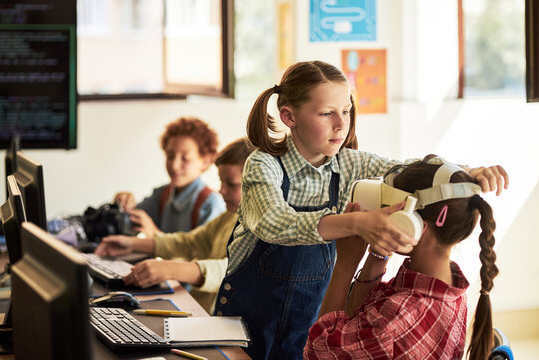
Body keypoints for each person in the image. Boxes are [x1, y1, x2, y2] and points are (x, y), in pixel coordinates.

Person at [213, 60, 509, 360]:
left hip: (305, 330)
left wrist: (469, 172)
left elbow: (410, 171)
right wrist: (355, 223)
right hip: (244, 327)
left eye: (346, 110)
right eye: (327, 113)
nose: (341, 124)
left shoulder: (350, 164)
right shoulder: (263, 165)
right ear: (289, 116)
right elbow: (274, 223)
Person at [304, 155, 507, 360]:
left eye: (391, 207)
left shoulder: (398, 318)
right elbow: (361, 317)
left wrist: (345, 264)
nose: (382, 214)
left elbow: (319, 350)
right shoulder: (450, 288)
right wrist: (378, 254)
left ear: (414, 223)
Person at [95, 138, 252, 313]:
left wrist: (170, 268)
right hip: (199, 313)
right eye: (221, 181)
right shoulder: (228, 217)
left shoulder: (260, 229)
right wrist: (132, 244)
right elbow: (189, 242)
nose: (221, 190)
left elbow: (233, 270)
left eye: (231, 184)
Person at [114, 117, 225, 236]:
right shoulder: (162, 195)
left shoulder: (211, 203)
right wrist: (124, 204)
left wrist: (154, 234)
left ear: (205, 162)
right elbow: (130, 219)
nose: (175, 165)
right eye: (170, 156)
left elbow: (205, 251)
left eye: (185, 158)